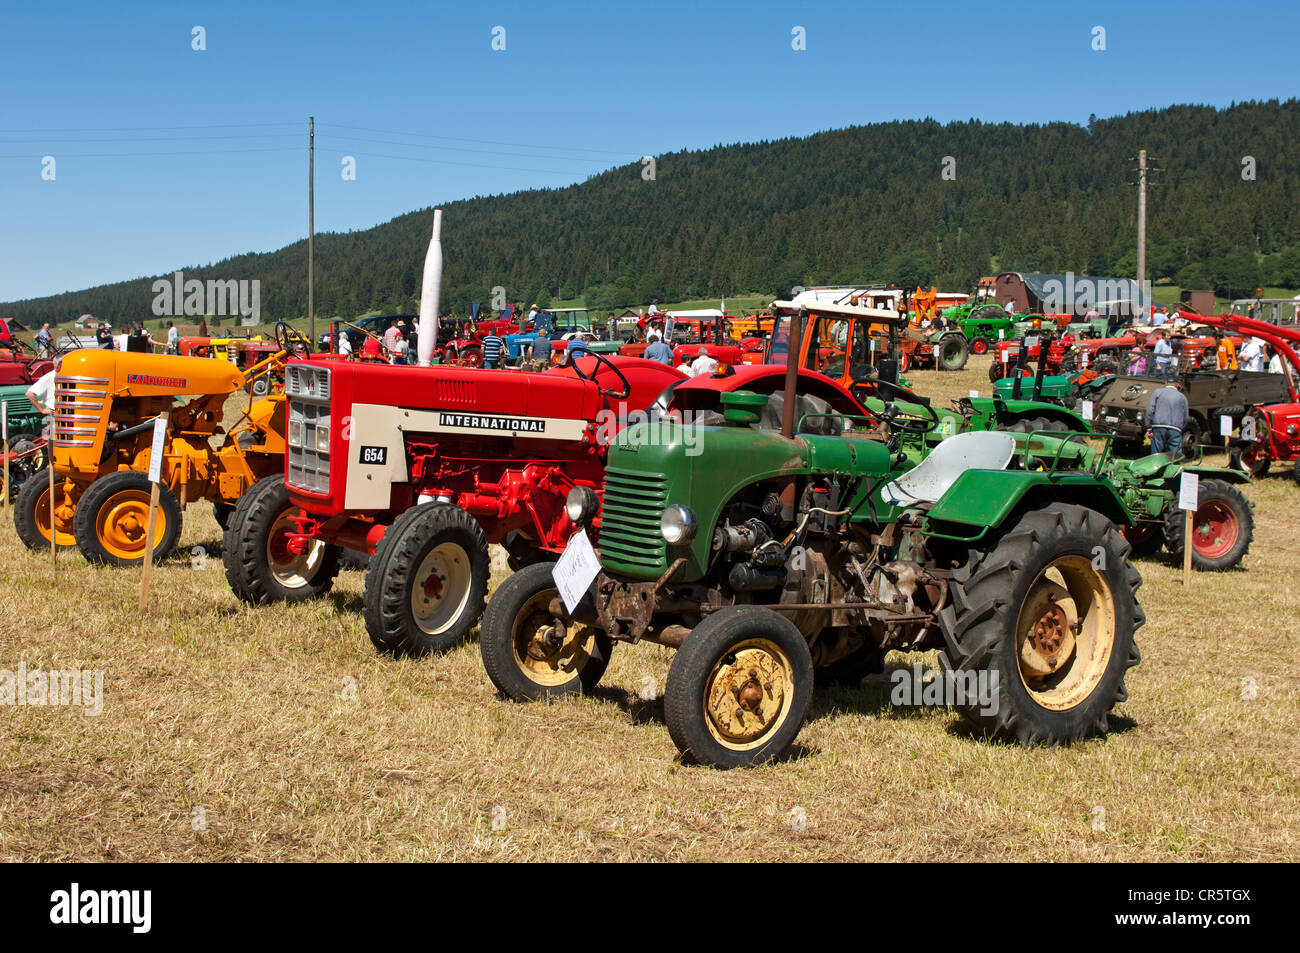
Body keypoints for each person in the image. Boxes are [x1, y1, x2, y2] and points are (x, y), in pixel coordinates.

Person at [1145, 380, 1189, 456]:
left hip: (1158, 426)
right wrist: (1181, 428)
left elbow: (1150, 410)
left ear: (1166, 383)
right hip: (1175, 428)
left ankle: (1157, 466)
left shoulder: (1157, 392)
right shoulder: (1182, 397)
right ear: (1178, 385)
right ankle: (1174, 466)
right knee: (1175, 455)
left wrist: (1148, 427)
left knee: (1156, 454)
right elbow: (1186, 417)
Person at [25, 363, 58, 438]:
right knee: (51, 441)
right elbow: (29, 393)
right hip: (53, 413)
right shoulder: (49, 377)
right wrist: (41, 410)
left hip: (68, 414)